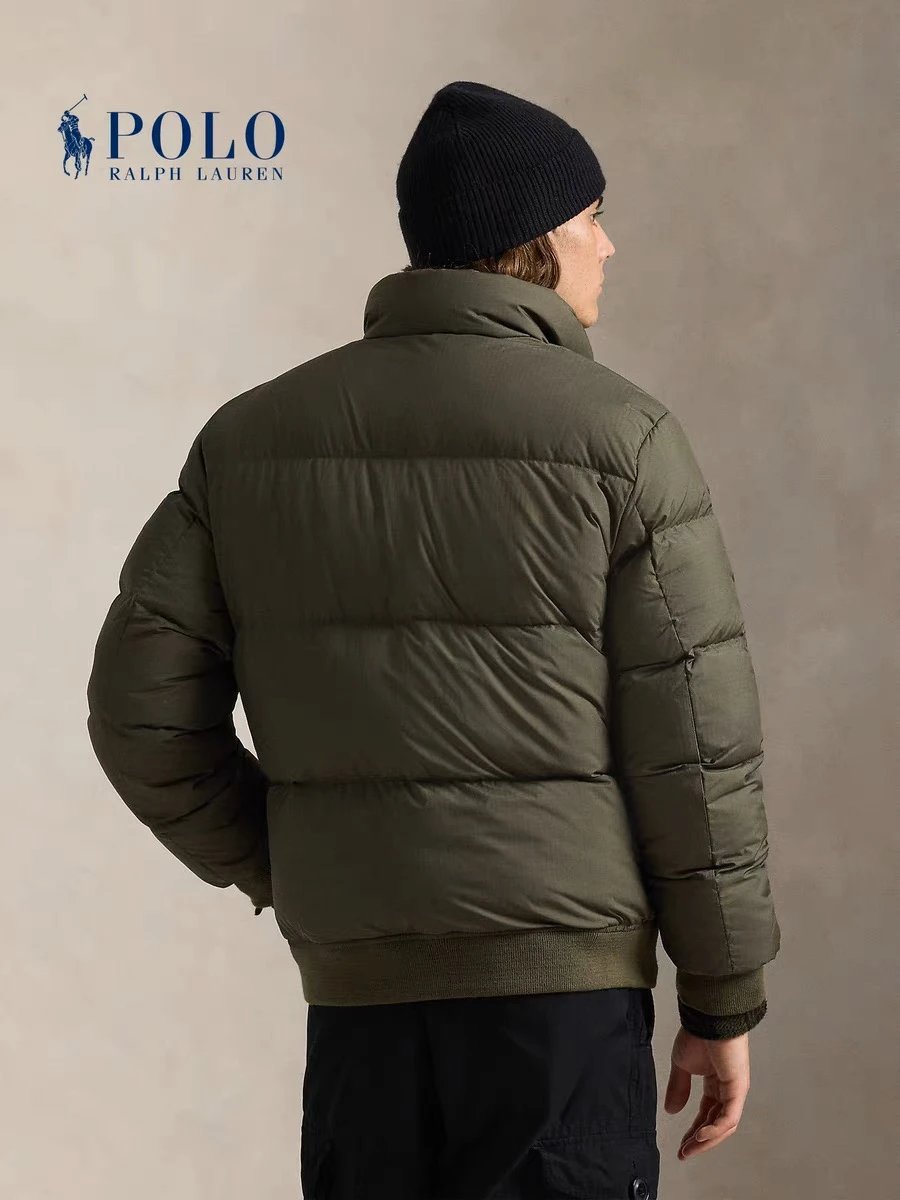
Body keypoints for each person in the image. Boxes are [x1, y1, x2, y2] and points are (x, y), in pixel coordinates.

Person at [86, 80, 781, 1198]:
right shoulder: (625, 441)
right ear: (533, 240)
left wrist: (301, 862)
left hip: (362, 1011)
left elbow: (138, 715)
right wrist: (722, 994)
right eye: (593, 215)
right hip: (562, 1009)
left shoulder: (249, 441)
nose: (610, 244)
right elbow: (696, 750)